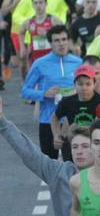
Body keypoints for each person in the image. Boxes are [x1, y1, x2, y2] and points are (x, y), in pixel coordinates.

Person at [21, 24, 82, 158]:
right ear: (51, 43)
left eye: (64, 39)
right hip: (47, 120)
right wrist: (43, 94)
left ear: (68, 40)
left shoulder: (78, 63)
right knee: (49, 163)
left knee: (74, 162)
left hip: (73, 120)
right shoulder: (39, 63)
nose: (61, 44)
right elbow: (25, 91)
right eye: (57, 40)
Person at [51, 64, 100, 158]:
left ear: (94, 84)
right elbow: (55, 117)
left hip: (94, 146)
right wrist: (56, 135)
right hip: (72, 146)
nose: (84, 88)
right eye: (80, 84)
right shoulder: (67, 101)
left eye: (88, 84)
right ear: (74, 85)